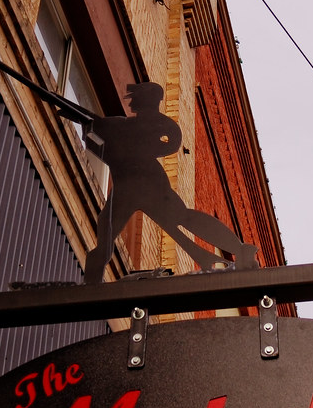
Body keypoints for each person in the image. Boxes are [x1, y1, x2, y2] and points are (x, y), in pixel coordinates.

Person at [84, 82, 258, 283]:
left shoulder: (159, 126)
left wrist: (125, 146)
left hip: (149, 184)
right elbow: (100, 145)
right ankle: (91, 286)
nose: (132, 101)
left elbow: (167, 146)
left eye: (136, 97)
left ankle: (240, 250)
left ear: (149, 100)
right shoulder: (121, 125)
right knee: (105, 235)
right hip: (126, 188)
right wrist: (95, 135)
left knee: (182, 217)